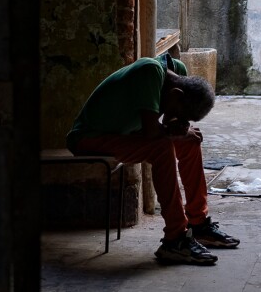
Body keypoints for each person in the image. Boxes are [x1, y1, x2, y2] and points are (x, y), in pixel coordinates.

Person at [66, 54, 239, 265]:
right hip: (88, 138)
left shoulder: (178, 70)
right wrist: (180, 131)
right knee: (162, 147)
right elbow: (151, 131)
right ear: (176, 94)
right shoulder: (149, 71)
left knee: (190, 141)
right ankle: (174, 239)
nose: (180, 119)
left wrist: (183, 129)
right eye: (180, 112)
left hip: (125, 136)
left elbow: (170, 123)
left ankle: (198, 223)